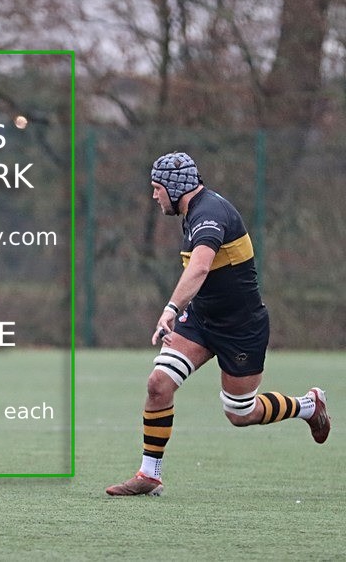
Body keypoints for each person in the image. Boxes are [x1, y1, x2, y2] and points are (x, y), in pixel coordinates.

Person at [106, 152, 330, 497]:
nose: (154, 196)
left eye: (156, 188)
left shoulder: (209, 213)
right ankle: (150, 475)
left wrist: (169, 308)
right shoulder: (191, 212)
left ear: (174, 186)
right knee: (158, 384)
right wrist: (182, 313)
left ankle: (308, 405)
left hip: (241, 327)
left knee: (241, 413)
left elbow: (199, 267)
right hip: (201, 319)